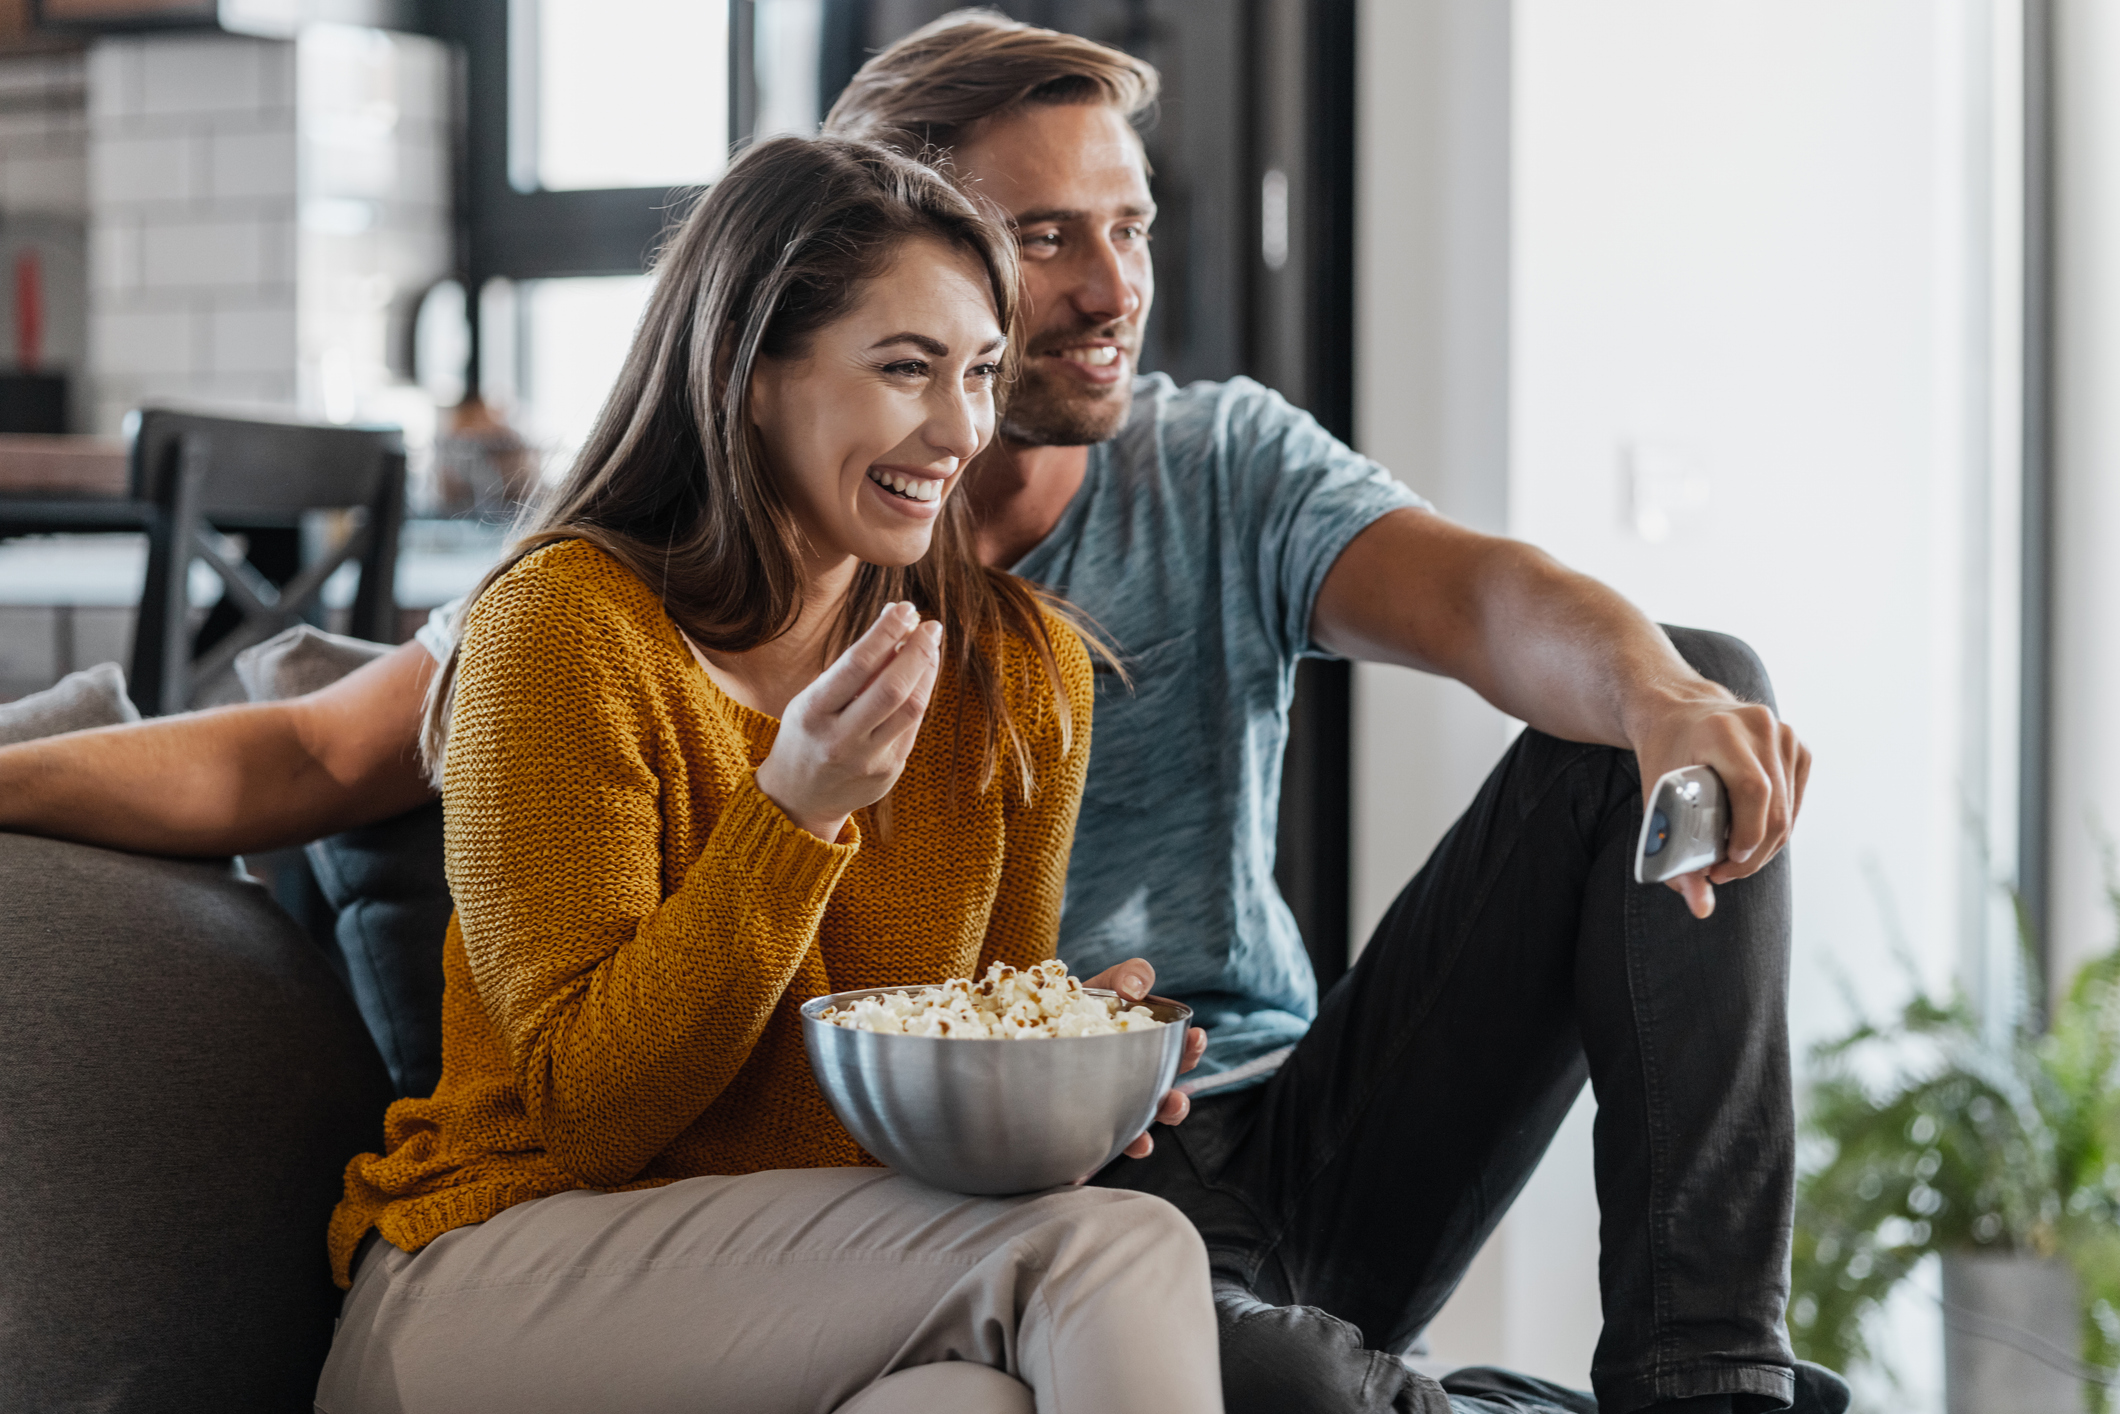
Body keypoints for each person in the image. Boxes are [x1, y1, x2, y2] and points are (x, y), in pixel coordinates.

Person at [0, 16, 1840, 1414]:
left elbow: (1483, 602)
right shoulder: (588, 615)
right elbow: (320, 754)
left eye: (1124, 231)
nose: (1109, 291)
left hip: (1226, 1129)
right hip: (966, 1211)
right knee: (1109, 1326)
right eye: (1045, 240)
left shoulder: (1122, 560)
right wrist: (795, 811)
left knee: (1699, 685)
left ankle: (1709, 1383)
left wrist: (1661, 691)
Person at [313, 135, 1220, 1414]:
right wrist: (792, 812)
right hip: (499, 1280)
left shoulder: (1015, 677)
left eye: (975, 371)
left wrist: (1062, 1081)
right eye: (904, 369)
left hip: (801, 1292)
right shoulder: (565, 631)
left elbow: (960, 1087)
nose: (959, 428)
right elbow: (593, 1111)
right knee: (1114, 1247)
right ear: (746, 376)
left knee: (967, 1406)